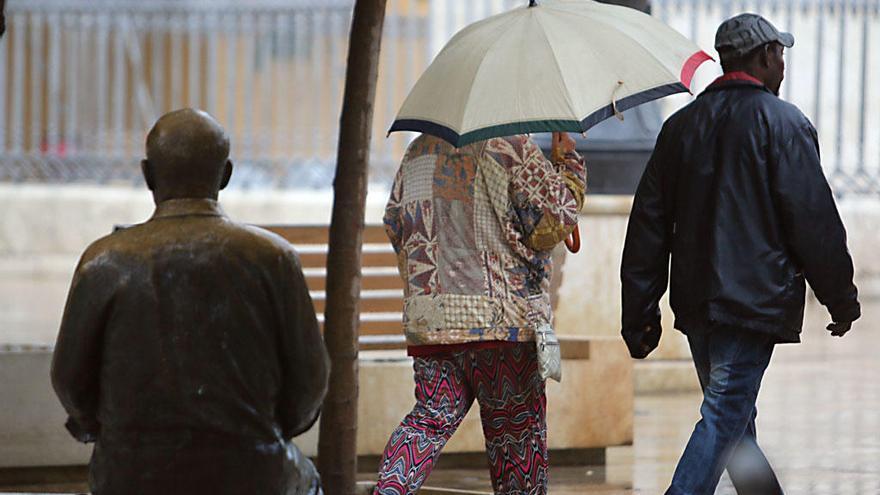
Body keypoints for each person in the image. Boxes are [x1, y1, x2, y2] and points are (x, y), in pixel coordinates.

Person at [620, 13, 861, 495]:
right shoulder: (784, 123)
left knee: (734, 421)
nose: (784, 65)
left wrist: (639, 312)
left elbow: (647, 228)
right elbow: (814, 223)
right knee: (725, 415)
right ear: (765, 56)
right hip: (752, 304)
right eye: (781, 54)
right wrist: (840, 298)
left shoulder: (680, 127)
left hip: (698, 305)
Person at [51, 108, 329, 495]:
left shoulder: (103, 262)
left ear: (148, 175)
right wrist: (266, 431)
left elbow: (69, 381)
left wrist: (112, 434)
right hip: (254, 471)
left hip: (129, 475)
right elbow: (310, 384)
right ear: (226, 174)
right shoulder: (274, 258)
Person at [373, 132, 586, 495]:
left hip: (433, 322)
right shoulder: (511, 146)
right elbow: (553, 223)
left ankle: (389, 490)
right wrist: (569, 170)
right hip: (503, 327)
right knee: (517, 439)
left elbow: (395, 223)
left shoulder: (419, 150)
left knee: (428, 421)